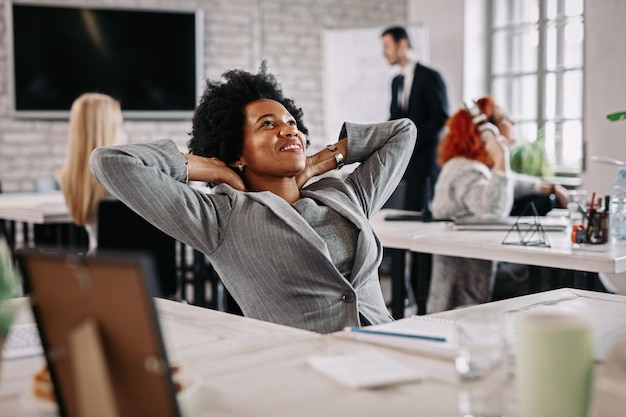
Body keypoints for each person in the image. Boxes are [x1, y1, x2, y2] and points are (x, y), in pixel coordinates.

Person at [90, 62, 417, 333]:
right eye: (268, 125)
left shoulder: (346, 193)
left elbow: (403, 132)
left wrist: (318, 162)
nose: (289, 131)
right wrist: (214, 168)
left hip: (390, 347)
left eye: (291, 123)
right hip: (307, 372)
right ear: (236, 151)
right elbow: (110, 162)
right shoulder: (220, 218)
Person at [427, 96, 568, 313]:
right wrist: (502, 157)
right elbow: (493, 209)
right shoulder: (464, 169)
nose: (512, 123)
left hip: (477, 274)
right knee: (557, 271)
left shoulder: (470, 167)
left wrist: (549, 187)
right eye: (504, 118)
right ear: (487, 131)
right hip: (468, 287)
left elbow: (510, 184)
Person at [381, 26, 449, 212]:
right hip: (404, 162)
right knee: (403, 212)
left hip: (426, 161)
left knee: (421, 213)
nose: (384, 53)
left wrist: (411, 140)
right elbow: (394, 118)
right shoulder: (396, 81)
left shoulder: (430, 76)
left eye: (387, 46)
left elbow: (441, 116)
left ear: (401, 44)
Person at [59, 93, 124, 252]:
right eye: (120, 125)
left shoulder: (71, 177)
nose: (123, 131)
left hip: (95, 265)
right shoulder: (119, 177)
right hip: (129, 268)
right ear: (109, 130)